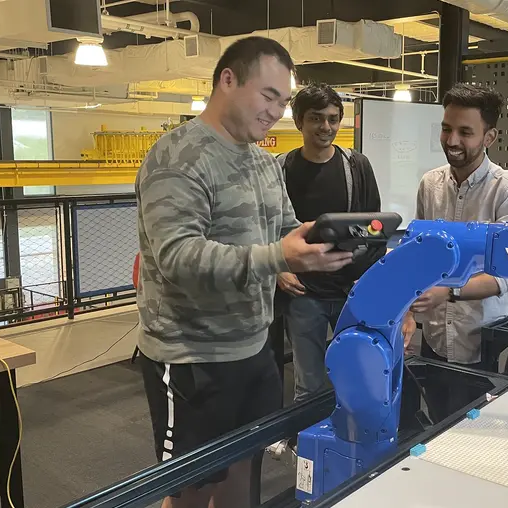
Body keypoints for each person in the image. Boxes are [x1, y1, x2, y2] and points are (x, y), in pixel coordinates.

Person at [135, 37, 353, 508]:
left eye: (283, 100)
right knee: (192, 489)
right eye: (268, 95)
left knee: (243, 474)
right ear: (227, 80)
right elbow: (178, 258)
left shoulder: (264, 163)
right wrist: (279, 256)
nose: (276, 111)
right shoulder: (176, 157)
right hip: (192, 356)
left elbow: (286, 228)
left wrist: (323, 236)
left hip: (255, 346)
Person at [403, 82, 508, 397]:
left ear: (489, 137)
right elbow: (416, 255)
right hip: (433, 334)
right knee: (435, 419)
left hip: (483, 338)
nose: (452, 140)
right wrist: (405, 310)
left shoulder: (507, 191)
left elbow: (506, 276)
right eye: (446, 129)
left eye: (465, 131)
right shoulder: (429, 184)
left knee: (477, 427)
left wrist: (448, 292)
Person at [275, 83, 382, 402]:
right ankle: (308, 448)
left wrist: (365, 272)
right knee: (309, 385)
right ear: (299, 122)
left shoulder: (356, 166)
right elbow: (265, 231)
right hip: (303, 294)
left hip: (350, 289)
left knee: (359, 374)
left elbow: (375, 228)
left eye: (333, 119)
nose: (326, 127)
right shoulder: (279, 169)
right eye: (316, 118)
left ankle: (352, 445)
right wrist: (277, 269)